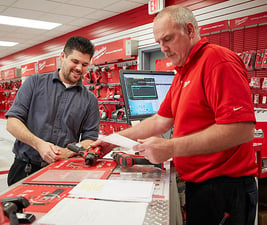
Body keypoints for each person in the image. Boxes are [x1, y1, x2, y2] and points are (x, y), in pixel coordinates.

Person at [91, 5, 258, 225]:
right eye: (159, 42)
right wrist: (113, 141)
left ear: (190, 30)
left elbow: (241, 130)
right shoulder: (183, 72)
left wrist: (170, 147)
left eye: (167, 39)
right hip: (202, 187)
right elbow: (160, 121)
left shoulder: (218, 62)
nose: (164, 48)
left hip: (225, 189)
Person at [6, 36, 100, 186]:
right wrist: (39, 144)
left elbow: (90, 139)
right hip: (25, 169)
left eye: (84, 64)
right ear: (62, 56)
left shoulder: (90, 100)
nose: (79, 68)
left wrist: (68, 152)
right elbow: (12, 123)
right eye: (75, 61)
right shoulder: (34, 83)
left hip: (65, 171)